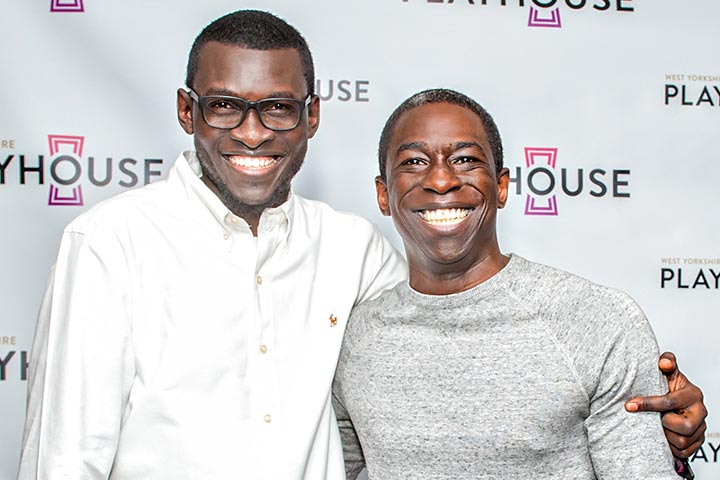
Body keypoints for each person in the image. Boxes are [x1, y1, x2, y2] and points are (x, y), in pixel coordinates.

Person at [17, 10, 705, 480]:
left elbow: (449, 321)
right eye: (225, 105)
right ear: (186, 111)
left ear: (311, 116)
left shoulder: (352, 251)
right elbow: (62, 458)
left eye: (278, 108)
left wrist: (671, 436)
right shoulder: (110, 244)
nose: (252, 133)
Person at [332, 88, 703, 479]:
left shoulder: (598, 321)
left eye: (464, 159)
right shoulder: (354, 335)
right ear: (383, 194)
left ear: (502, 186)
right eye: (415, 161)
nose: (441, 179)